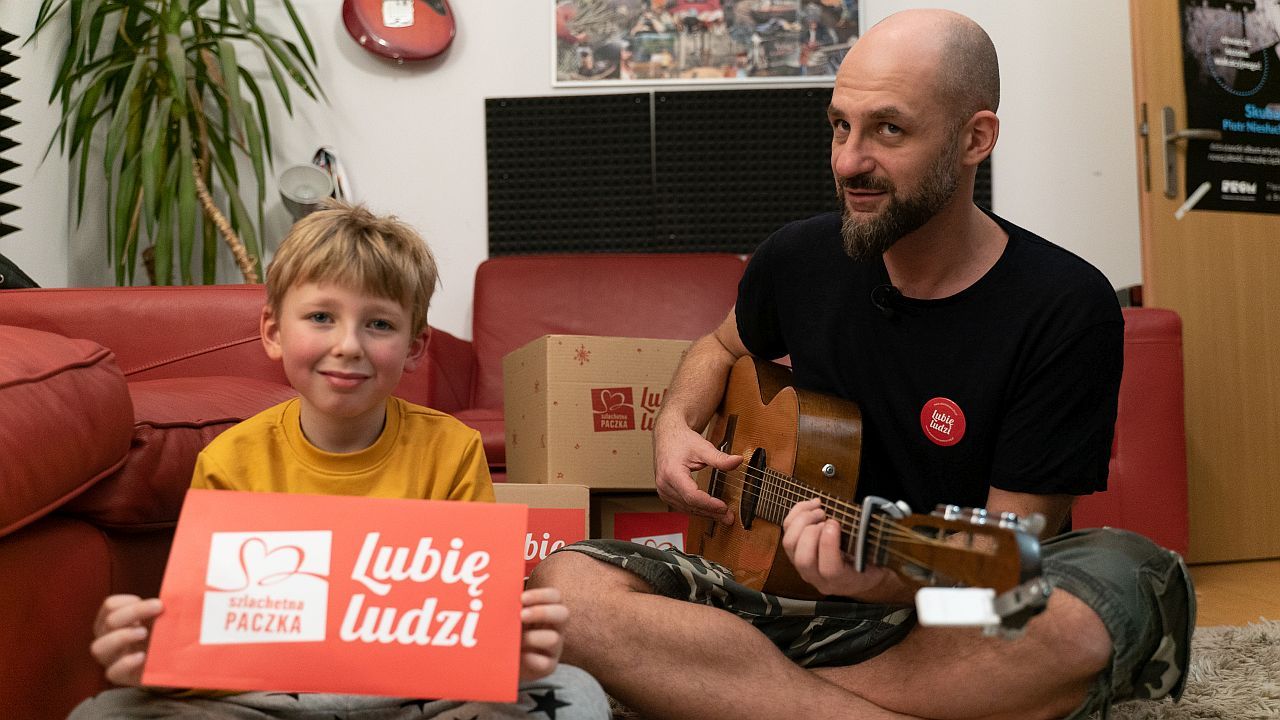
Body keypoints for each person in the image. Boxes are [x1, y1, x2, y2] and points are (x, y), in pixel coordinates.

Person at [529, 9, 1193, 720]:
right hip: (783, 596)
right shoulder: (799, 256)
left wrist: (882, 583)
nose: (848, 161)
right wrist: (674, 424)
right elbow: (720, 347)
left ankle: (738, 687)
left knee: (1109, 596)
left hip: (947, 609)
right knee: (564, 590)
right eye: (840, 126)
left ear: (975, 139)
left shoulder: (1064, 304)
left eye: (889, 129)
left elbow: (1007, 548)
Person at [69, 203, 609, 720]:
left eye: (379, 325)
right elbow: (215, 644)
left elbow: (473, 631)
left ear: (415, 346)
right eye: (321, 317)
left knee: (572, 692)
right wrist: (155, 664)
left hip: (419, 697)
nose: (349, 345)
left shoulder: (452, 450)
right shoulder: (230, 460)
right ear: (273, 332)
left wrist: (509, 656)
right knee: (106, 712)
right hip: (269, 700)